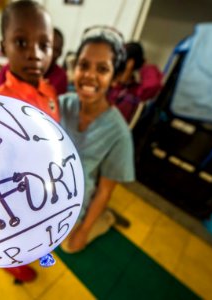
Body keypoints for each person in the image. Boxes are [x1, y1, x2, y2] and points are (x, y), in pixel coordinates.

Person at [0, 0, 58, 282]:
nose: (34, 54)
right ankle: (13, 264)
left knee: (40, 225)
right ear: (3, 45)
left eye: (44, 45)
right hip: (14, 191)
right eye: (21, 42)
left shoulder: (49, 90)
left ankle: (39, 247)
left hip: (44, 183)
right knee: (15, 230)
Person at [59, 25, 135, 254]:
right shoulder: (62, 104)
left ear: (114, 78)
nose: (89, 75)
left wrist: (83, 231)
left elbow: (104, 190)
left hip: (73, 204)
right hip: (47, 193)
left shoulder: (118, 134)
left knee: (67, 247)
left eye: (102, 69)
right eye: (83, 65)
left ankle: (104, 218)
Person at [0, 27, 68, 96]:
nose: (51, 55)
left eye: (56, 50)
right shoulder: (14, 67)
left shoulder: (60, 76)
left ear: (61, 53)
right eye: (45, 47)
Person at [107, 41, 163, 124]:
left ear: (131, 63)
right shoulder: (105, 84)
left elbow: (153, 85)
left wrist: (143, 65)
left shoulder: (135, 91)